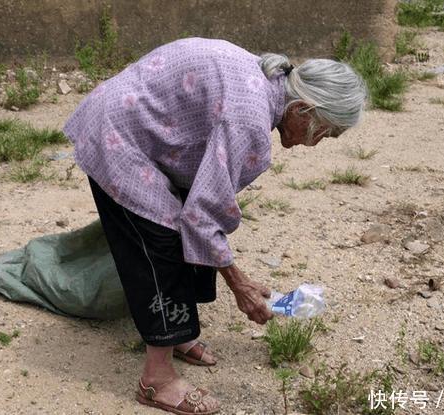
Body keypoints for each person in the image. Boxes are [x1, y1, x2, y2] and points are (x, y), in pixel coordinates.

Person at [63, 37, 366, 415]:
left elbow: (205, 202)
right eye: (325, 131)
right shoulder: (250, 119)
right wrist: (239, 285)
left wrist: (235, 274)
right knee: (162, 240)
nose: (318, 143)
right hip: (120, 136)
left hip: (133, 121)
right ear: (303, 109)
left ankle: (178, 335)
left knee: (186, 226)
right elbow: (201, 217)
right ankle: (156, 380)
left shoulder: (267, 78)